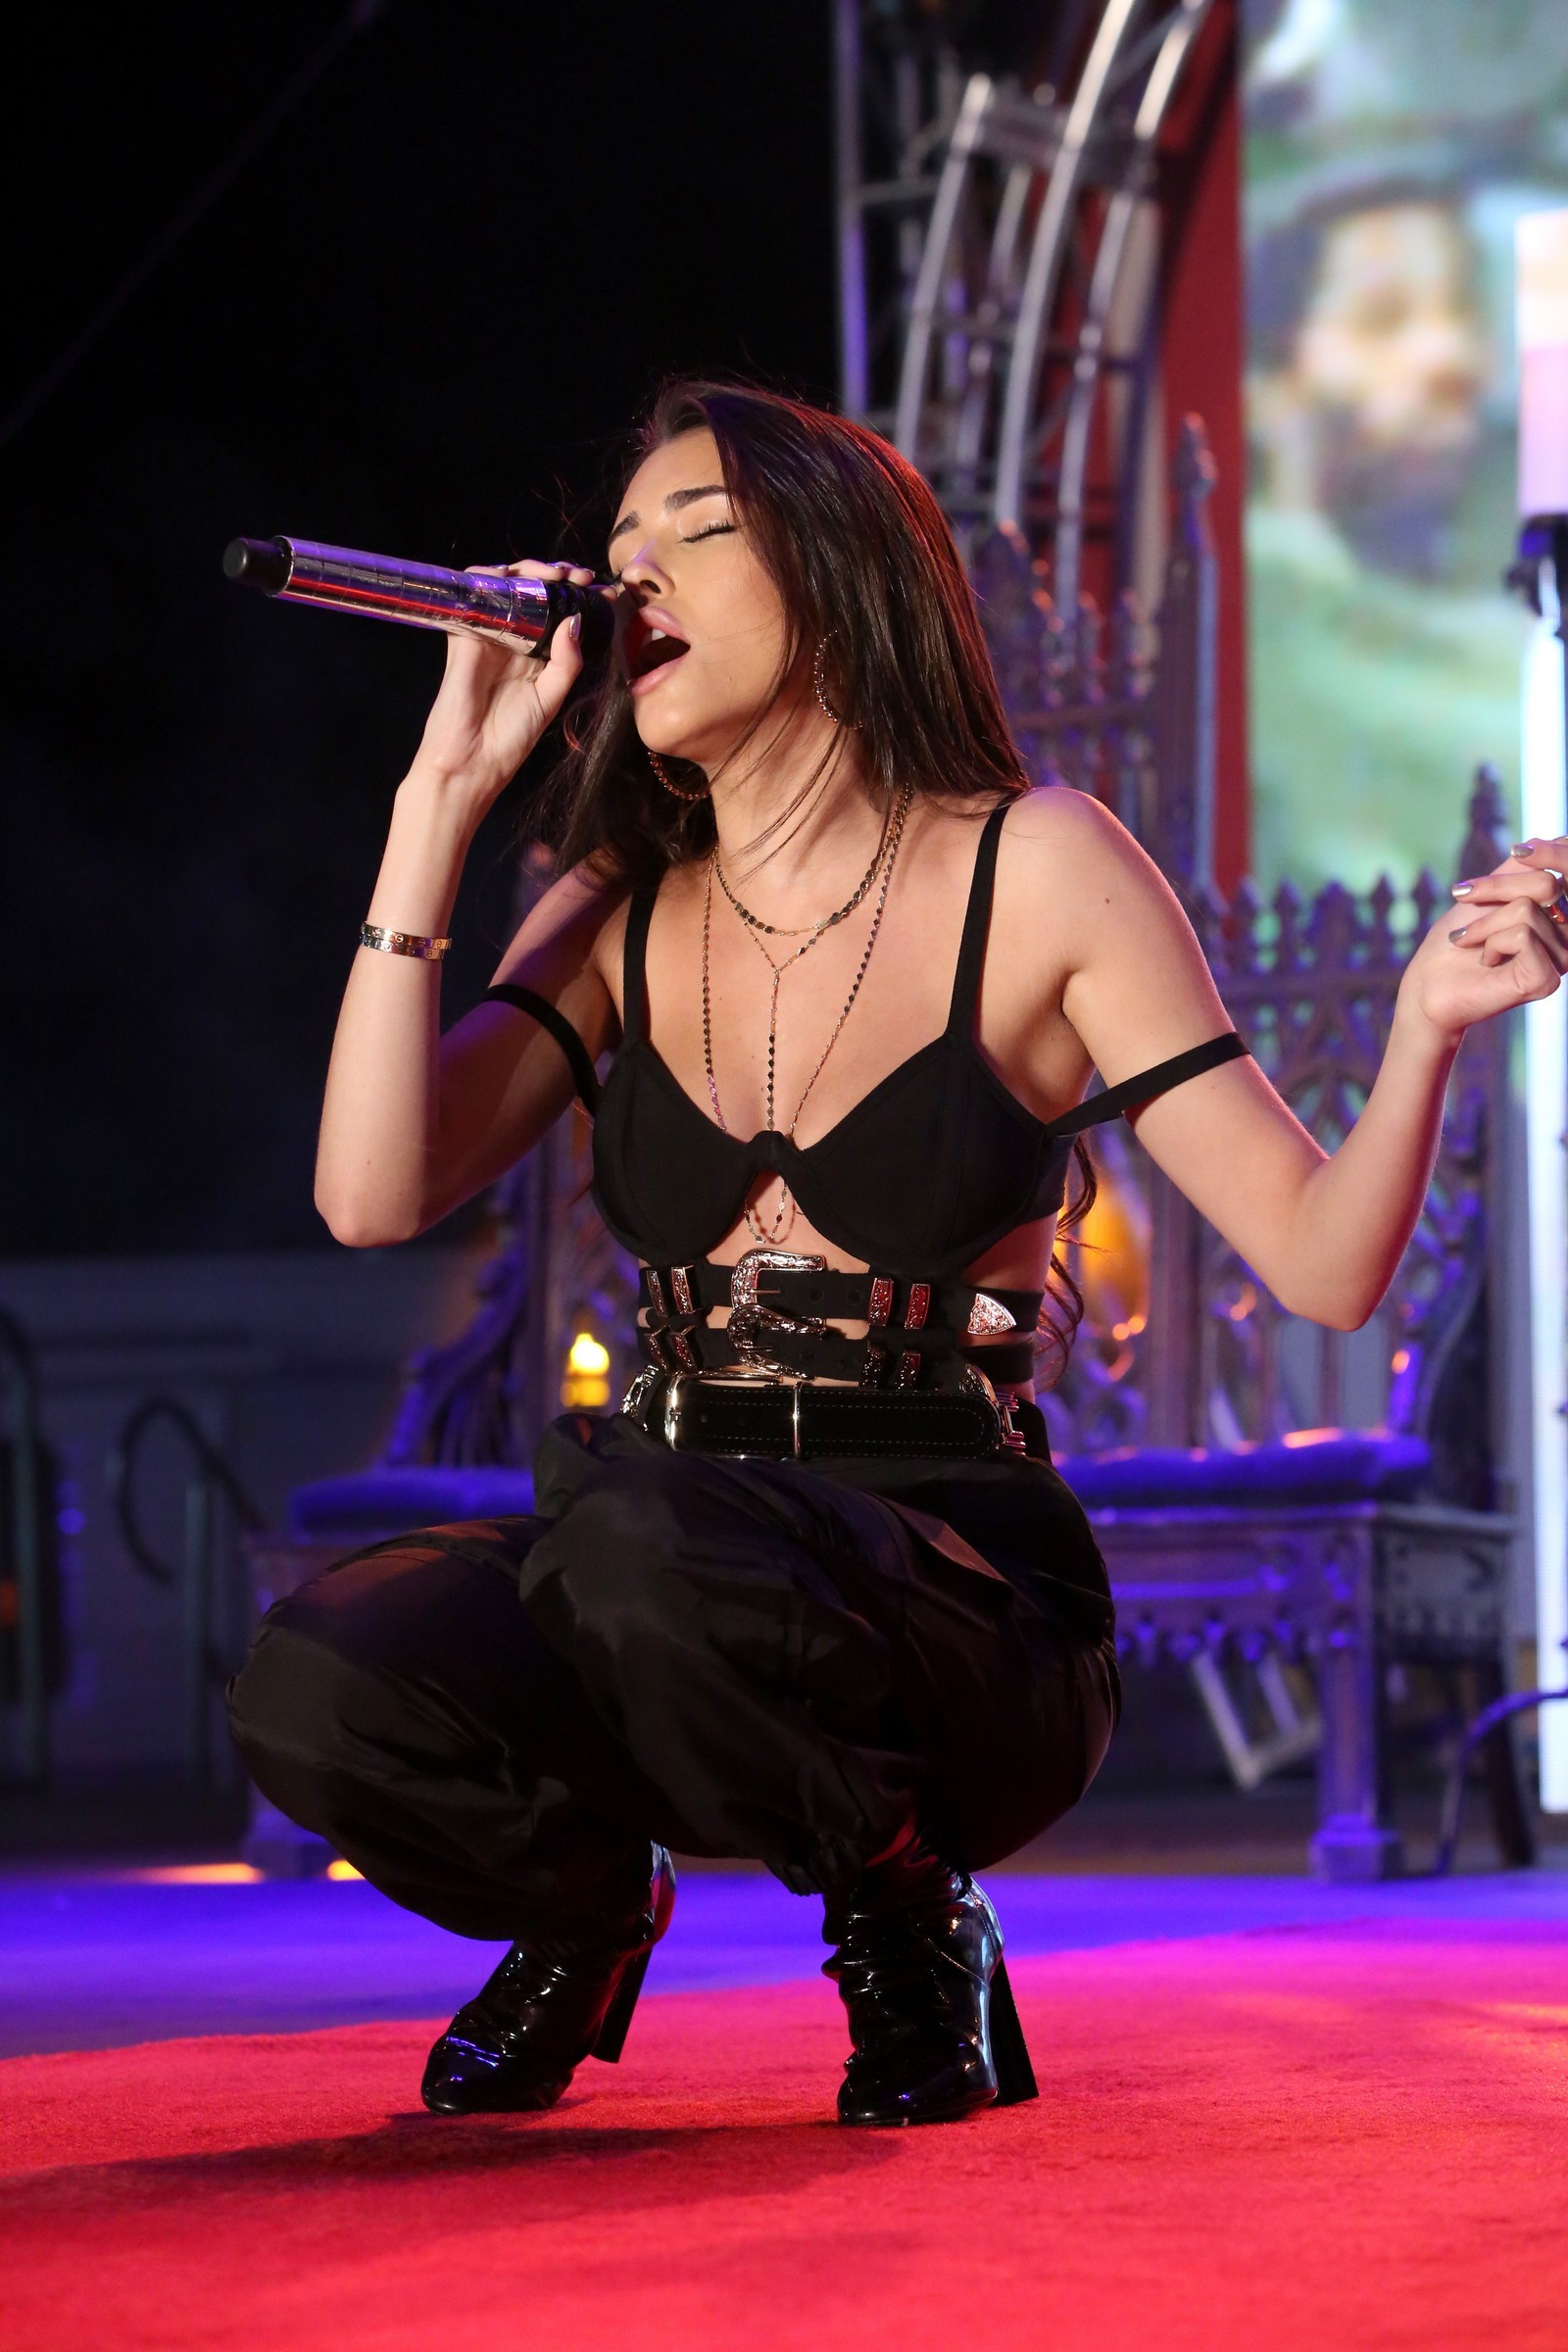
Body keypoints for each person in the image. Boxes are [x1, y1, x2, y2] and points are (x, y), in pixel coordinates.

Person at [227, 379, 1568, 2128]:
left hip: (952, 1614)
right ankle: (587, 1914)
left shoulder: (1041, 864)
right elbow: (368, 1197)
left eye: (698, 531)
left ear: (842, 570)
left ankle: (912, 1910)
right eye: (620, 549)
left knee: (640, 1550)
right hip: (661, 1566)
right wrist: (441, 798)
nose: (633, 581)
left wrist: (1424, 1026)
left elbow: (1320, 1265)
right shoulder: (620, 898)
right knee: (322, 1672)